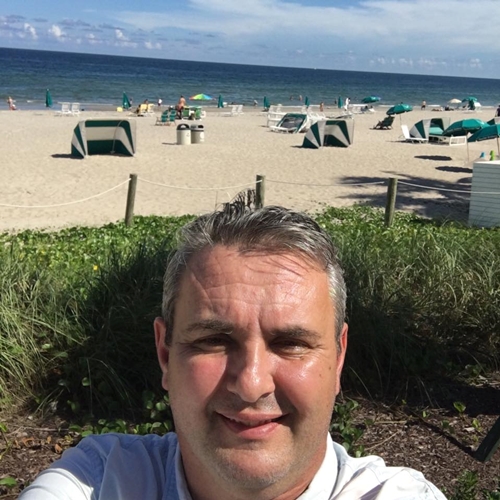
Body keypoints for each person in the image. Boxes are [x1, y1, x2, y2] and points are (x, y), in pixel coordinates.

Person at [19, 205, 446, 500]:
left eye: (291, 344)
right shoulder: (98, 481)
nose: (251, 383)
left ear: (338, 359)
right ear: (165, 354)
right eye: (214, 341)